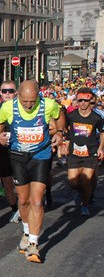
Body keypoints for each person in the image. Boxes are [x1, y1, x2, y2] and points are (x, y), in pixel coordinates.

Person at [0, 80, 64, 263]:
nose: (28, 105)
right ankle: (26, 232)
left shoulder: (48, 104)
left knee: (37, 200)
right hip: (18, 157)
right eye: (25, 101)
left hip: (40, 156)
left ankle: (34, 244)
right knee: (23, 201)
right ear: (18, 96)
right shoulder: (8, 107)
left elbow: (59, 117)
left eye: (32, 101)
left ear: (38, 96)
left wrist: (60, 132)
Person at [59, 87, 104, 216]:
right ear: (77, 101)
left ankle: (85, 205)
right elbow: (66, 131)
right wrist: (64, 145)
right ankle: (83, 192)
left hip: (90, 153)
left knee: (85, 181)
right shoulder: (71, 116)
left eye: (86, 100)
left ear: (90, 101)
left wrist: (101, 148)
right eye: (80, 100)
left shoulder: (96, 118)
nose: (83, 103)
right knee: (73, 182)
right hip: (74, 153)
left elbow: (102, 133)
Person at [0, 81, 21, 223]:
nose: (7, 94)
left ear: (16, 92)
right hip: (4, 150)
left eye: (10, 91)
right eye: (4, 91)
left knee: (22, 181)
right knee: (7, 182)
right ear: (0, 92)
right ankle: (15, 209)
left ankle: (24, 205)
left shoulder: (22, 107)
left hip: (21, 149)